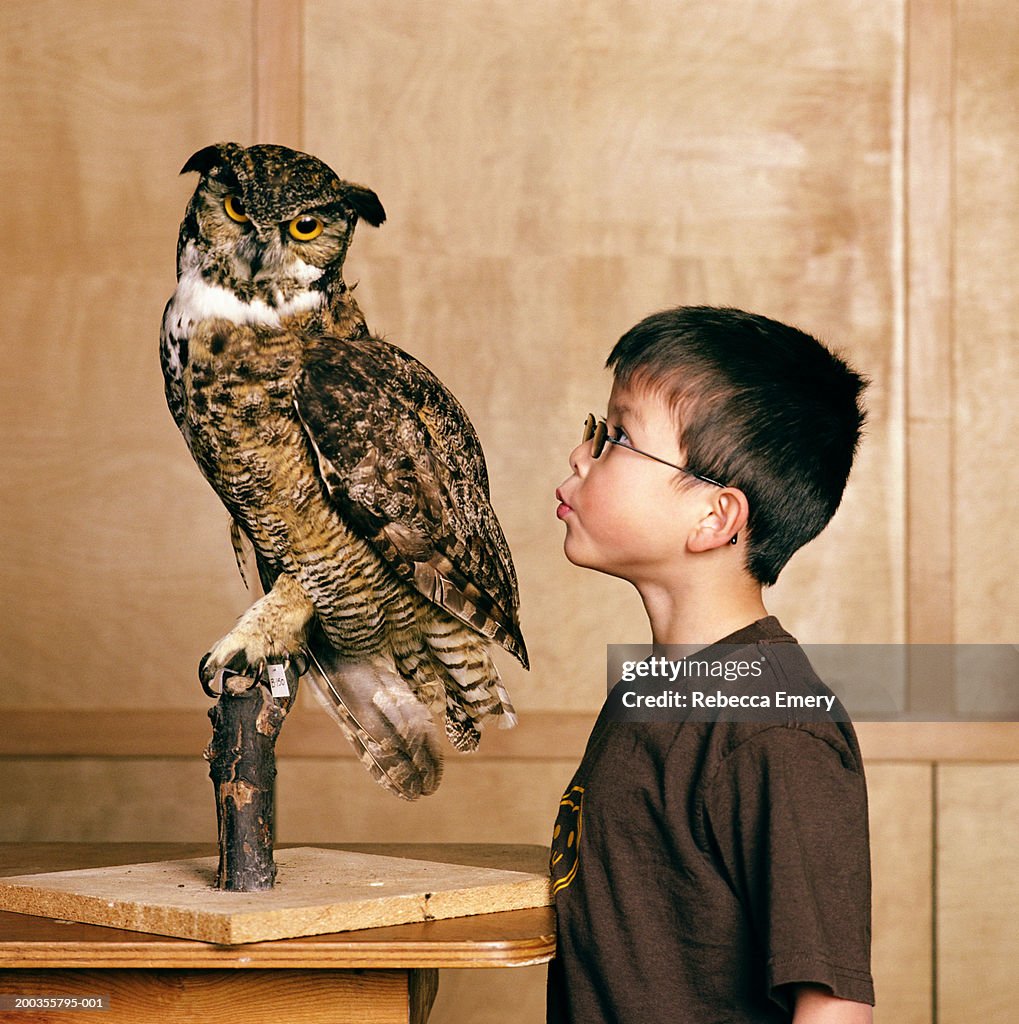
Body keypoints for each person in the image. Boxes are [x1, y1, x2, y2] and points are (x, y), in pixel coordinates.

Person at [548, 306, 874, 1023]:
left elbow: (834, 1006)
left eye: (618, 438)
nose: (581, 456)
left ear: (714, 519)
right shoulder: (656, 691)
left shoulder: (773, 730)